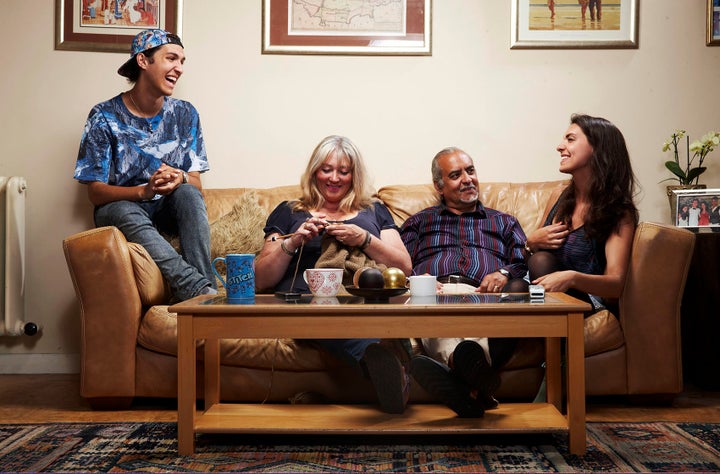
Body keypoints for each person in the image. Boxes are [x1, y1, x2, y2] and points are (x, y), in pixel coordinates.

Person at [254, 135, 413, 414]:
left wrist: (364, 239)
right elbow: (260, 278)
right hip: (306, 302)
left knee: (363, 312)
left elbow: (404, 267)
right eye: (326, 169)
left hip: (365, 297)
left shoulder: (374, 210)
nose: (334, 178)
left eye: (344, 170)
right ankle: (385, 360)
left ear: (354, 175)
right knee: (322, 315)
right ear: (314, 170)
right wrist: (293, 242)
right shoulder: (290, 211)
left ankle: (385, 361)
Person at [73, 29, 216, 303]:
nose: (179, 68)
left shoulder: (186, 113)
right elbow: (95, 193)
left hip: (167, 207)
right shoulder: (103, 115)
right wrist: (143, 192)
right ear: (143, 61)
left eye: (182, 61)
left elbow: (196, 183)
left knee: (188, 193)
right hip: (121, 207)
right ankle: (196, 287)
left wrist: (179, 177)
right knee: (123, 209)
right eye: (171, 58)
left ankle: (203, 287)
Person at [400, 147, 529, 418]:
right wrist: (414, 279)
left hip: (484, 293)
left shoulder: (504, 222)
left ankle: (458, 378)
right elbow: (398, 264)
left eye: (470, 171)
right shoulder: (418, 223)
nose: (467, 179)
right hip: (434, 291)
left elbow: (521, 261)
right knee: (431, 314)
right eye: (456, 175)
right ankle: (475, 380)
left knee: (519, 294)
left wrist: (503, 274)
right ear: (439, 185)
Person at [525, 114, 638, 318]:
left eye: (570, 139)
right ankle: (479, 351)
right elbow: (531, 260)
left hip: (588, 301)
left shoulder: (618, 211)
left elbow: (616, 284)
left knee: (542, 262)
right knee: (517, 284)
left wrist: (572, 278)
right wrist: (531, 242)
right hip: (544, 295)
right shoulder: (558, 196)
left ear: (597, 147)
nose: (559, 147)